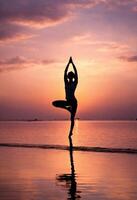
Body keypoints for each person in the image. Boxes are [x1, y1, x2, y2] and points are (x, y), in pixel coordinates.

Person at [52, 57, 78, 137]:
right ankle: (68, 109)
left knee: (72, 118)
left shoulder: (75, 83)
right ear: (68, 77)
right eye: (69, 76)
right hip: (68, 101)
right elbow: (65, 72)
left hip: (73, 102)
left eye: (71, 76)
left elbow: (76, 73)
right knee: (54, 103)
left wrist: (71, 63)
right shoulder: (66, 82)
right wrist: (69, 63)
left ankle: (70, 132)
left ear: (72, 77)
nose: (69, 77)